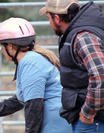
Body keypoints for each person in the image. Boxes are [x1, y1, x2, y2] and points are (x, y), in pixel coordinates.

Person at [0, 17, 71, 133]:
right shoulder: (31, 60)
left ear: (9, 46)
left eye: (1, 46)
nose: (1, 50)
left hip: (55, 126)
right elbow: (24, 98)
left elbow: (33, 108)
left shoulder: (30, 63)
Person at [39, 0, 104, 132]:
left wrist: (87, 113)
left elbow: (101, 75)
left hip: (93, 121)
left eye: (49, 18)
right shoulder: (78, 34)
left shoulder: (82, 37)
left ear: (57, 18)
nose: (49, 23)